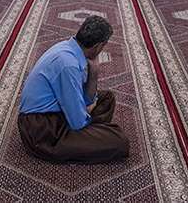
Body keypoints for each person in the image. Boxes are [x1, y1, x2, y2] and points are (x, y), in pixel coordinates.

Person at [17, 16, 130, 164]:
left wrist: (94, 73)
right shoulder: (68, 64)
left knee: (107, 98)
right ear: (98, 46)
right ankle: (86, 139)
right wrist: (88, 110)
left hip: (56, 114)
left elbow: (86, 98)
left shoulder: (70, 48)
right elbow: (77, 122)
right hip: (42, 129)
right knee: (120, 142)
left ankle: (89, 138)